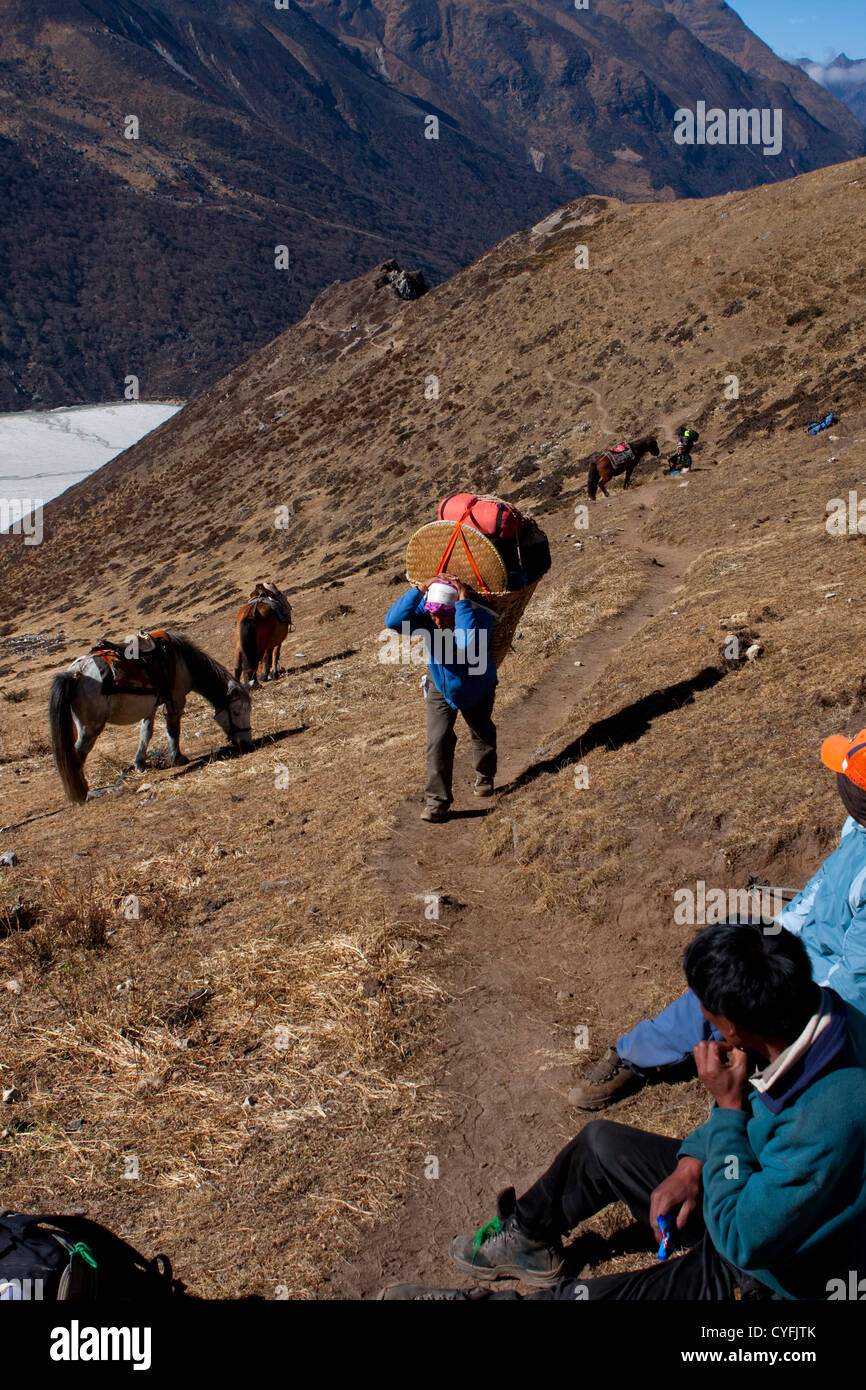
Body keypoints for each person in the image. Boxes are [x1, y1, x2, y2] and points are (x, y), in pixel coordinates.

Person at [380, 922, 866, 1300]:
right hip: (749, 1185)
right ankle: (526, 1237)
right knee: (599, 1144)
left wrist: (727, 1108)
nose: (701, 1022)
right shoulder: (814, 1016)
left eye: (707, 1014)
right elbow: (755, 1117)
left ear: (735, 1029)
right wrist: (695, 1161)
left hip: (769, 1269)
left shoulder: (829, 1119)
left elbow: (743, 1238)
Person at [571, 727, 866, 1110]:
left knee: (738, 990)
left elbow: (854, 982)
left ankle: (748, 1084)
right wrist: (775, 938)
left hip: (831, 1004)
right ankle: (635, 1054)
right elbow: (818, 889)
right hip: (803, 959)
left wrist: (784, 998)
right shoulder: (856, 828)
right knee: (725, 966)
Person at [385, 574, 498, 823]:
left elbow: (467, 644)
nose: (436, 622)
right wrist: (421, 588)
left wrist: (463, 603)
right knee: (437, 740)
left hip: (476, 685)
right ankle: (437, 802)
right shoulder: (427, 619)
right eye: (432, 615)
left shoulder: (478, 616)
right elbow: (393, 622)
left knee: (481, 731)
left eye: (442, 616)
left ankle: (485, 773)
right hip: (441, 685)